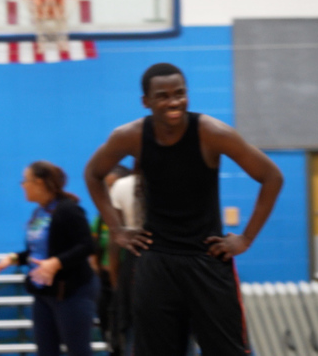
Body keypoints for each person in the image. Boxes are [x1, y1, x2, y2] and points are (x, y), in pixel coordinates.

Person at [84, 62, 284, 356]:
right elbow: (93, 174)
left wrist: (245, 238)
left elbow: (272, 177)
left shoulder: (211, 132)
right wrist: (117, 230)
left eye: (179, 93)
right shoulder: (130, 136)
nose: (174, 101)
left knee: (228, 350)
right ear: (146, 102)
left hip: (207, 259)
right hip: (156, 262)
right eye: (163, 96)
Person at [0, 161, 97, 356]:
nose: (22, 185)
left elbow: (87, 245)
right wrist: (14, 258)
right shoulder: (39, 212)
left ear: (39, 183)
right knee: (46, 351)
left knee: (78, 350)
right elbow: (39, 252)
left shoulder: (68, 210)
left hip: (71, 293)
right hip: (44, 294)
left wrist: (57, 263)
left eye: (25, 181)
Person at [90, 165, 131, 352]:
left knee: (128, 332)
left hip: (128, 279)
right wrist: (95, 262)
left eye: (113, 186)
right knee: (110, 332)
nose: (109, 192)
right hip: (106, 283)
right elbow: (92, 244)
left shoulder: (133, 218)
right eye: (106, 187)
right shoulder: (101, 219)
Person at [107, 168, 143, 356]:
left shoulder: (122, 186)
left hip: (136, 262)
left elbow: (115, 242)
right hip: (173, 260)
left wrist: (116, 284)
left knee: (133, 331)